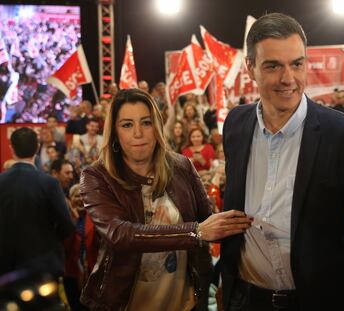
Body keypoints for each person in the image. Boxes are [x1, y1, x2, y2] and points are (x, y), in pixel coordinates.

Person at [221, 12, 344, 311]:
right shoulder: (235, 123)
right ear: (250, 67)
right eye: (273, 66)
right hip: (246, 300)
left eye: (296, 64)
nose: (288, 78)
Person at [79, 88, 252, 311]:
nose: (138, 133)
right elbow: (119, 234)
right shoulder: (96, 176)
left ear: (158, 127)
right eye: (127, 125)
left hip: (186, 302)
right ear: (114, 132)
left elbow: (209, 221)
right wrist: (195, 232)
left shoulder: (182, 166)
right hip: (124, 303)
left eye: (146, 122)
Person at [0, 127, 74, 277]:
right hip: (43, 267)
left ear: (11, 148)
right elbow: (66, 226)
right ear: (37, 147)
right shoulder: (49, 183)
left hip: (5, 269)